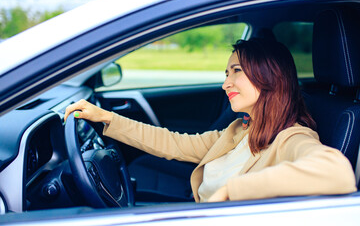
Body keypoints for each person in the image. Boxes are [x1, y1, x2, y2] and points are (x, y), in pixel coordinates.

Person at [64, 38, 356, 203]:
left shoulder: (291, 137)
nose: (225, 83)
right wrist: (106, 118)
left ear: (269, 77)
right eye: (226, 74)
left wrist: (231, 191)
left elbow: (337, 173)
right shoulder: (242, 129)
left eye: (236, 71)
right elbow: (174, 142)